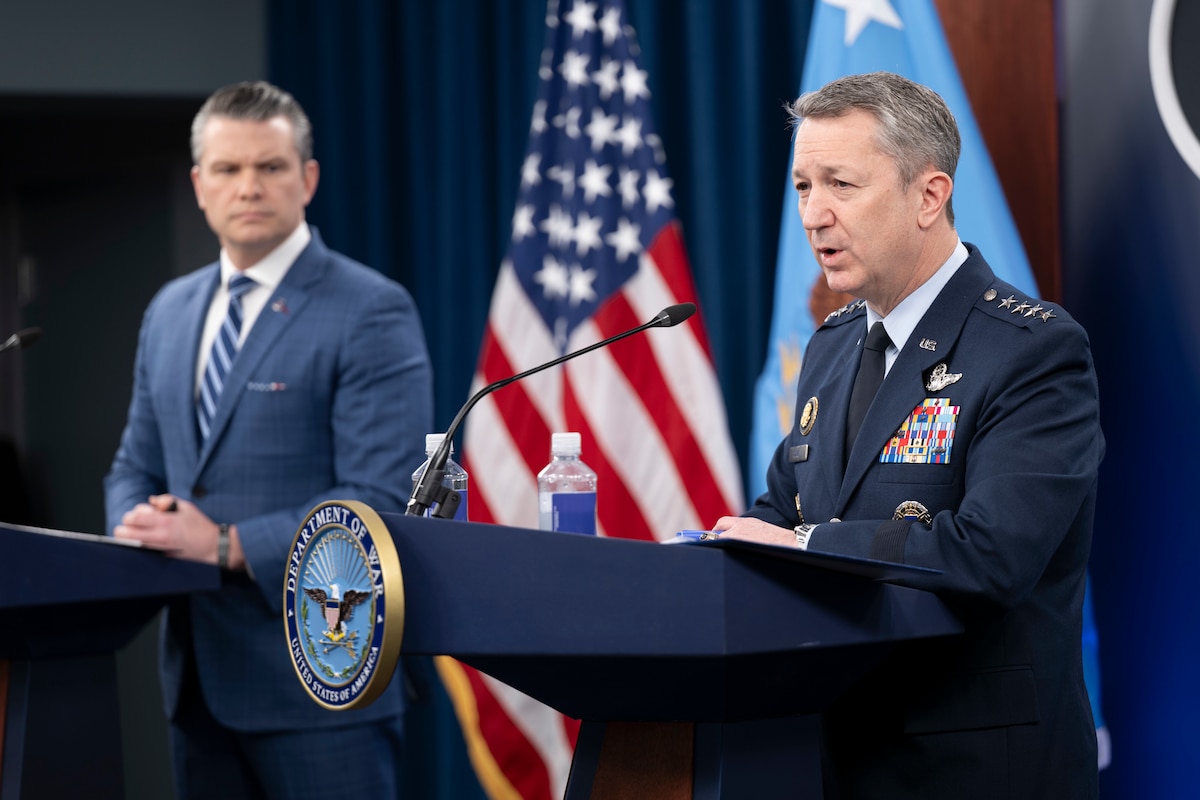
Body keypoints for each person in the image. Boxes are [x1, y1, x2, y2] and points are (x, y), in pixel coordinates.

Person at [714, 72, 1103, 799]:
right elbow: (784, 508)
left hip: (976, 774)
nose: (814, 214)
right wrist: (719, 550)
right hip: (828, 760)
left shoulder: (1032, 350)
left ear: (929, 196)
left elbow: (991, 555)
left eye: (840, 183)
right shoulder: (830, 348)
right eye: (802, 186)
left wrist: (802, 547)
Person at [105, 81, 433, 799]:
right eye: (227, 169)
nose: (248, 186)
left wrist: (222, 545)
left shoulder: (371, 308)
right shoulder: (169, 310)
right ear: (199, 184)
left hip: (321, 685)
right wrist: (134, 526)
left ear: (307, 179)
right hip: (195, 686)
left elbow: (378, 500)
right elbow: (134, 462)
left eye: (271, 167)